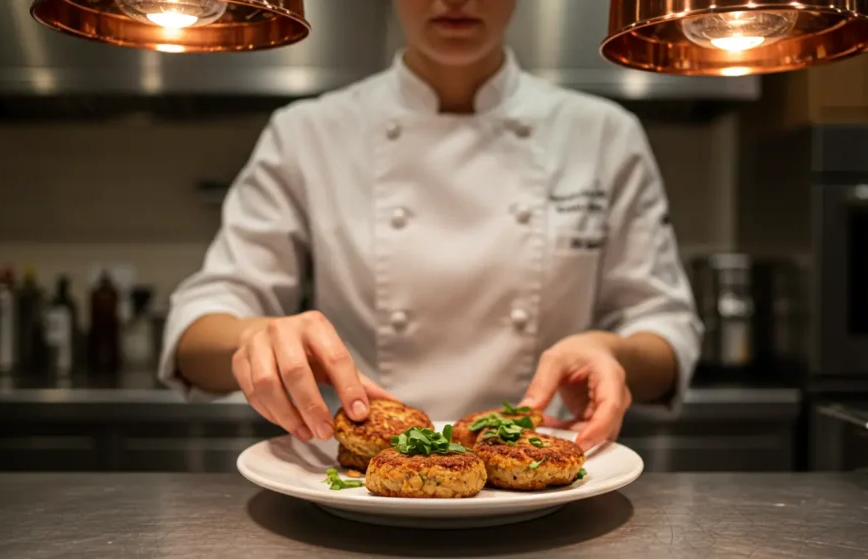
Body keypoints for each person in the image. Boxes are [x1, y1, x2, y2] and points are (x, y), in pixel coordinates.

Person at [159, 0, 703, 453]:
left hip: (545, 469)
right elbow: (195, 333)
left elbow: (664, 327)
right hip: (355, 478)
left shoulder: (605, 134)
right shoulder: (307, 133)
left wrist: (617, 355)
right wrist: (256, 338)